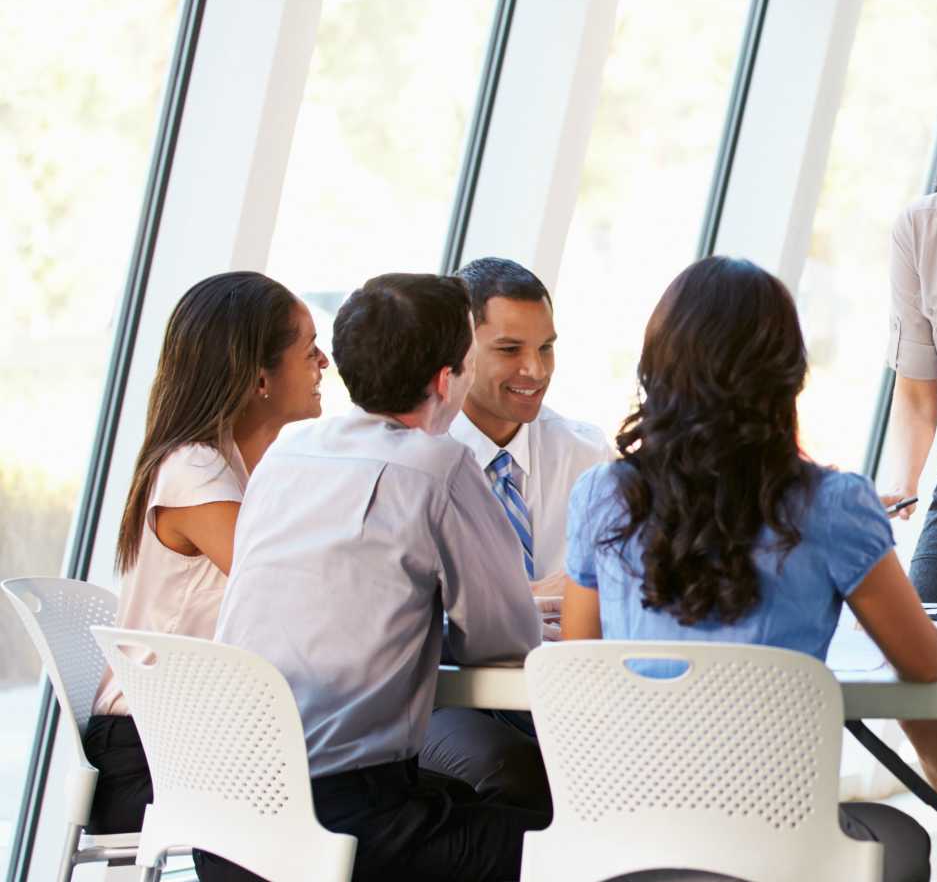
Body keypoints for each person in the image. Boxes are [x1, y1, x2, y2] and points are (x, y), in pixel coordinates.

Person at [563, 256, 937, 882]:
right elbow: (925, 663)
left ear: (659, 365)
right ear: (787, 373)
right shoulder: (834, 504)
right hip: (775, 844)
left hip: (622, 834)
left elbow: (582, 662)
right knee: (901, 834)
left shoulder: (602, 495)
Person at [206, 273, 544, 882]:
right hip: (343, 825)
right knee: (566, 844)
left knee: (481, 807)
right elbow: (504, 639)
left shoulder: (289, 449)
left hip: (228, 822)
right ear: (447, 380)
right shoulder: (438, 465)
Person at [84, 271, 328, 836]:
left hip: (195, 739)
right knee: (364, 805)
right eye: (310, 348)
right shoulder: (195, 470)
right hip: (148, 757)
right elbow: (285, 597)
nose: (325, 363)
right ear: (259, 377)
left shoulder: (245, 471)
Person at [424, 256, 613, 810]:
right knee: (524, 775)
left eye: (546, 348)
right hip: (443, 698)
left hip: (566, 695)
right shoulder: (419, 458)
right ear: (458, 352)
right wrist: (515, 603)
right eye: (510, 350)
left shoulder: (585, 453)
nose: (535, 369)